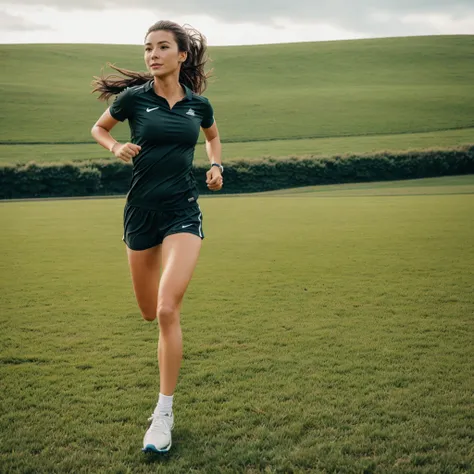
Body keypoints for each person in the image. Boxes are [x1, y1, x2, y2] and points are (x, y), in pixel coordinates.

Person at [91, 20, 223, 453]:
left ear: (181, 55)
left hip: (182, 212)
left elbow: (213, 137)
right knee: (149, 311)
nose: (152, 54)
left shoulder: (198, 105)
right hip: (140, 215)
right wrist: (115, 148)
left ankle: (163, 414)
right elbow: (99, 128)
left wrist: (216, 164)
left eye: (162, 47)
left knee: (168, 309)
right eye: (148, 47)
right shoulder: (134, 99)